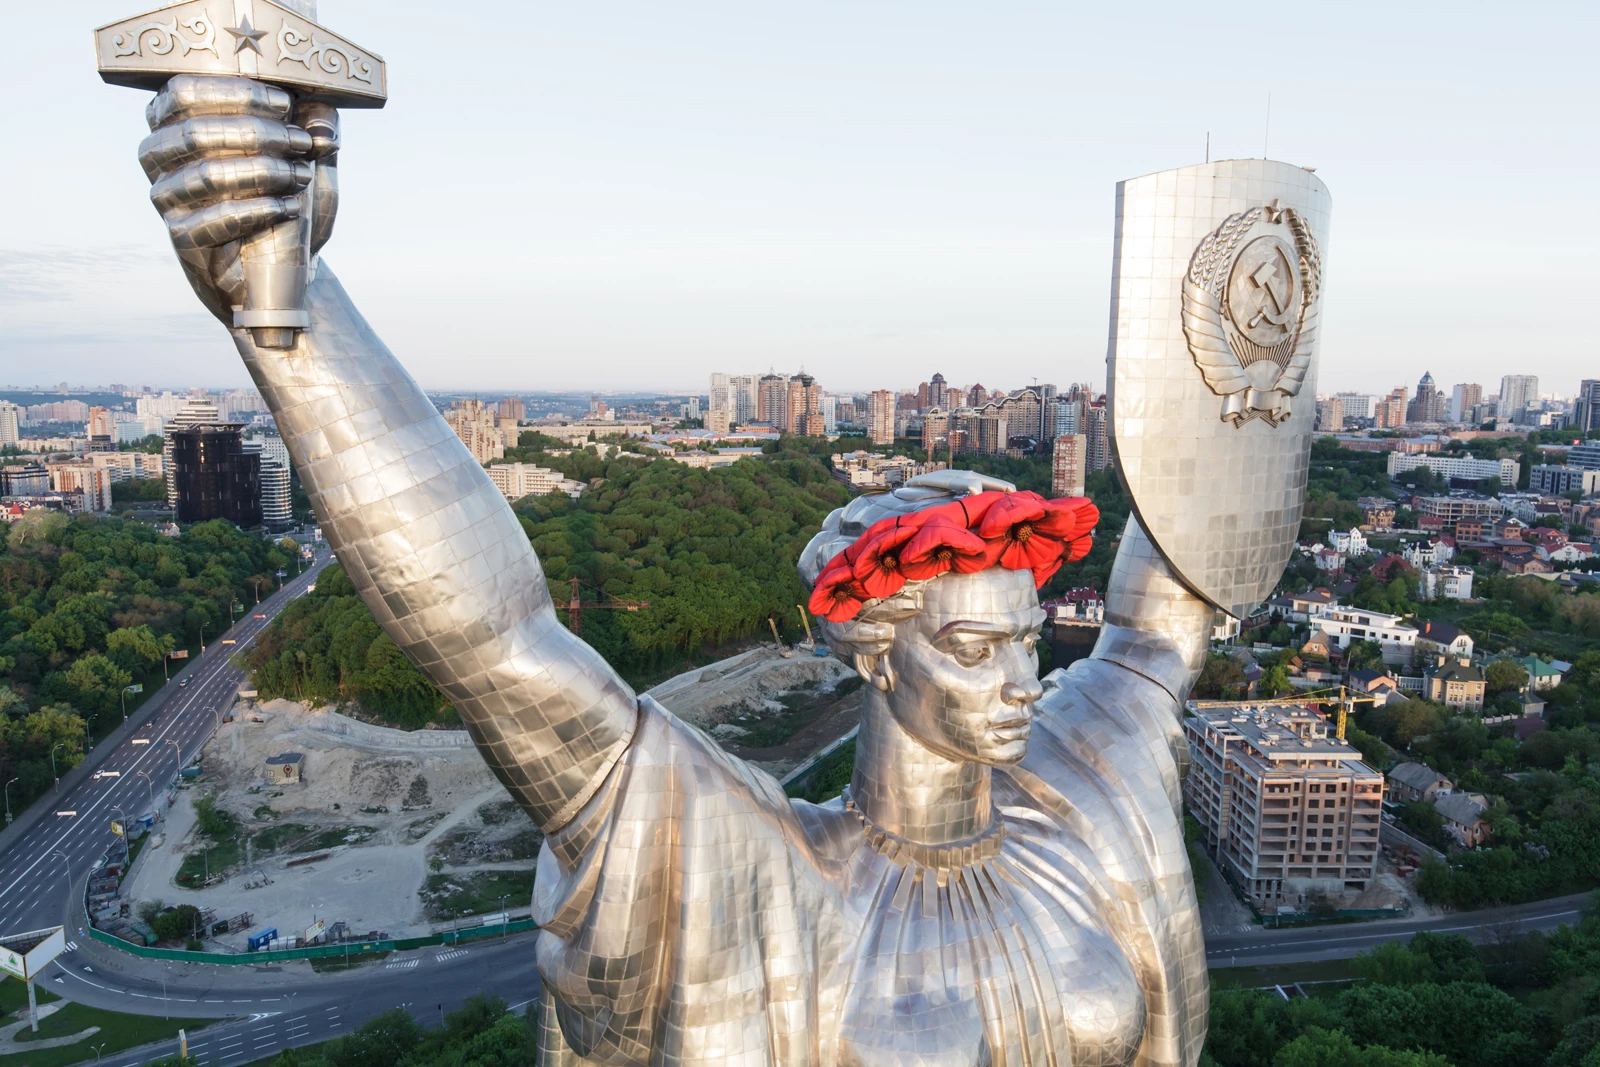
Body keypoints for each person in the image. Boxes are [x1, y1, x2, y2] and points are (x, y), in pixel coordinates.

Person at [133, 75, 1215, 1067]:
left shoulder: (1082, 792)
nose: (1026, 677)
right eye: (975, 647)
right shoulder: (753, 868)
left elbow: (1161, 619)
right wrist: (289, 311)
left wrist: (1233, 348)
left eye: (1028, 637)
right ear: (877, 654)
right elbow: (500, 645)